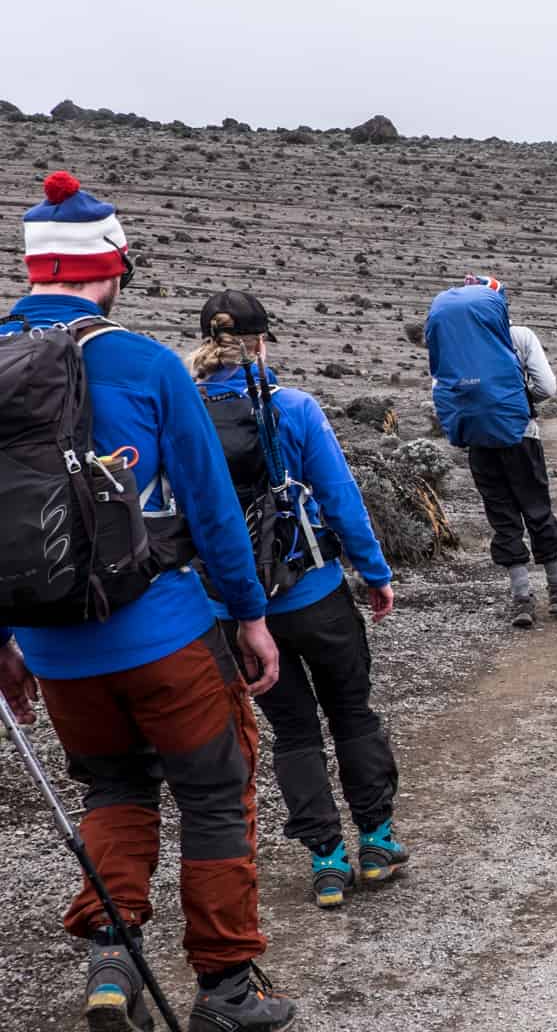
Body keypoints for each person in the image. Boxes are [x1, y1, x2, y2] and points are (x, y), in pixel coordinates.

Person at [0, 174, 297, 1031]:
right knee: (213, 792)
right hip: (162, 632)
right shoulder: (144, 362)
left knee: (111, 789)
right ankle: (229, 989)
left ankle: (110, 962)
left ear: (34, 270)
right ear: (111, 270)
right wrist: (250, 617)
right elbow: (208, 507)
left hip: (52, 647)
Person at [188, 289, 407, 910]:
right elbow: (340, 499)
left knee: (293, 731)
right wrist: (375, 572)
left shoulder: (181, 414)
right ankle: (376, 840)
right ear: (262, 342)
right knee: (353, 713)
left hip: (234, 611)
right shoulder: (294, 407)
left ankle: (326, 859)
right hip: (314, 595)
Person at [426, 274, 557, 628]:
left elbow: (439, 390)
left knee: (502, 515)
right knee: (537, 508)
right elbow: (547, 387)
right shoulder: (519, 336)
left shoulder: (452, 344)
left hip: (479, 439)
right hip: (521, 436)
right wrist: (518, 403)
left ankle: (521, 598)